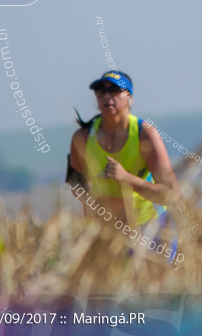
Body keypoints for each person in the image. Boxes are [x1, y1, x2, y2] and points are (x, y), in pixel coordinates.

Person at [67, 70, 180, 261]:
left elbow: (171, 195)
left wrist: (127, 179)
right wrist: (94, 207)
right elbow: (75, 183)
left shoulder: (146, 135)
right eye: (100, 91)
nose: (106, 96)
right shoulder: (83, 138)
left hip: (151, 228)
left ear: (130, 99)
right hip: (108, 234)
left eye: (115, 90)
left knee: (153, 291)